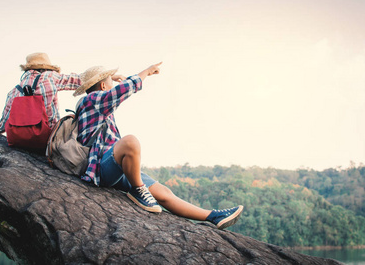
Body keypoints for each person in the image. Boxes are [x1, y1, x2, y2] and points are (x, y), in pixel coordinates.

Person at [73, 62, 243, 229]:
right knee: (130, 142)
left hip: (114, 166)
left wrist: (112, 77)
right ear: (103, 85)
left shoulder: (96, 104)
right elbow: (122, 91)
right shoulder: (91, 100)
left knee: (163, 193)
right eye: (110, 80)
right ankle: (138, 190)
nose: (114, 82)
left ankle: (213, 217)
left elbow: (109, 90)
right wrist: (146, 72)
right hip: (101, 168)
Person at [0, 52, 82, 133]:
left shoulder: (14, 91)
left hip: (19, 138)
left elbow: (2, 124)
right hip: (47, 135)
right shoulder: (50, 76)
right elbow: (79, 81)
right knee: (71, 119)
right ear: (46, 67)